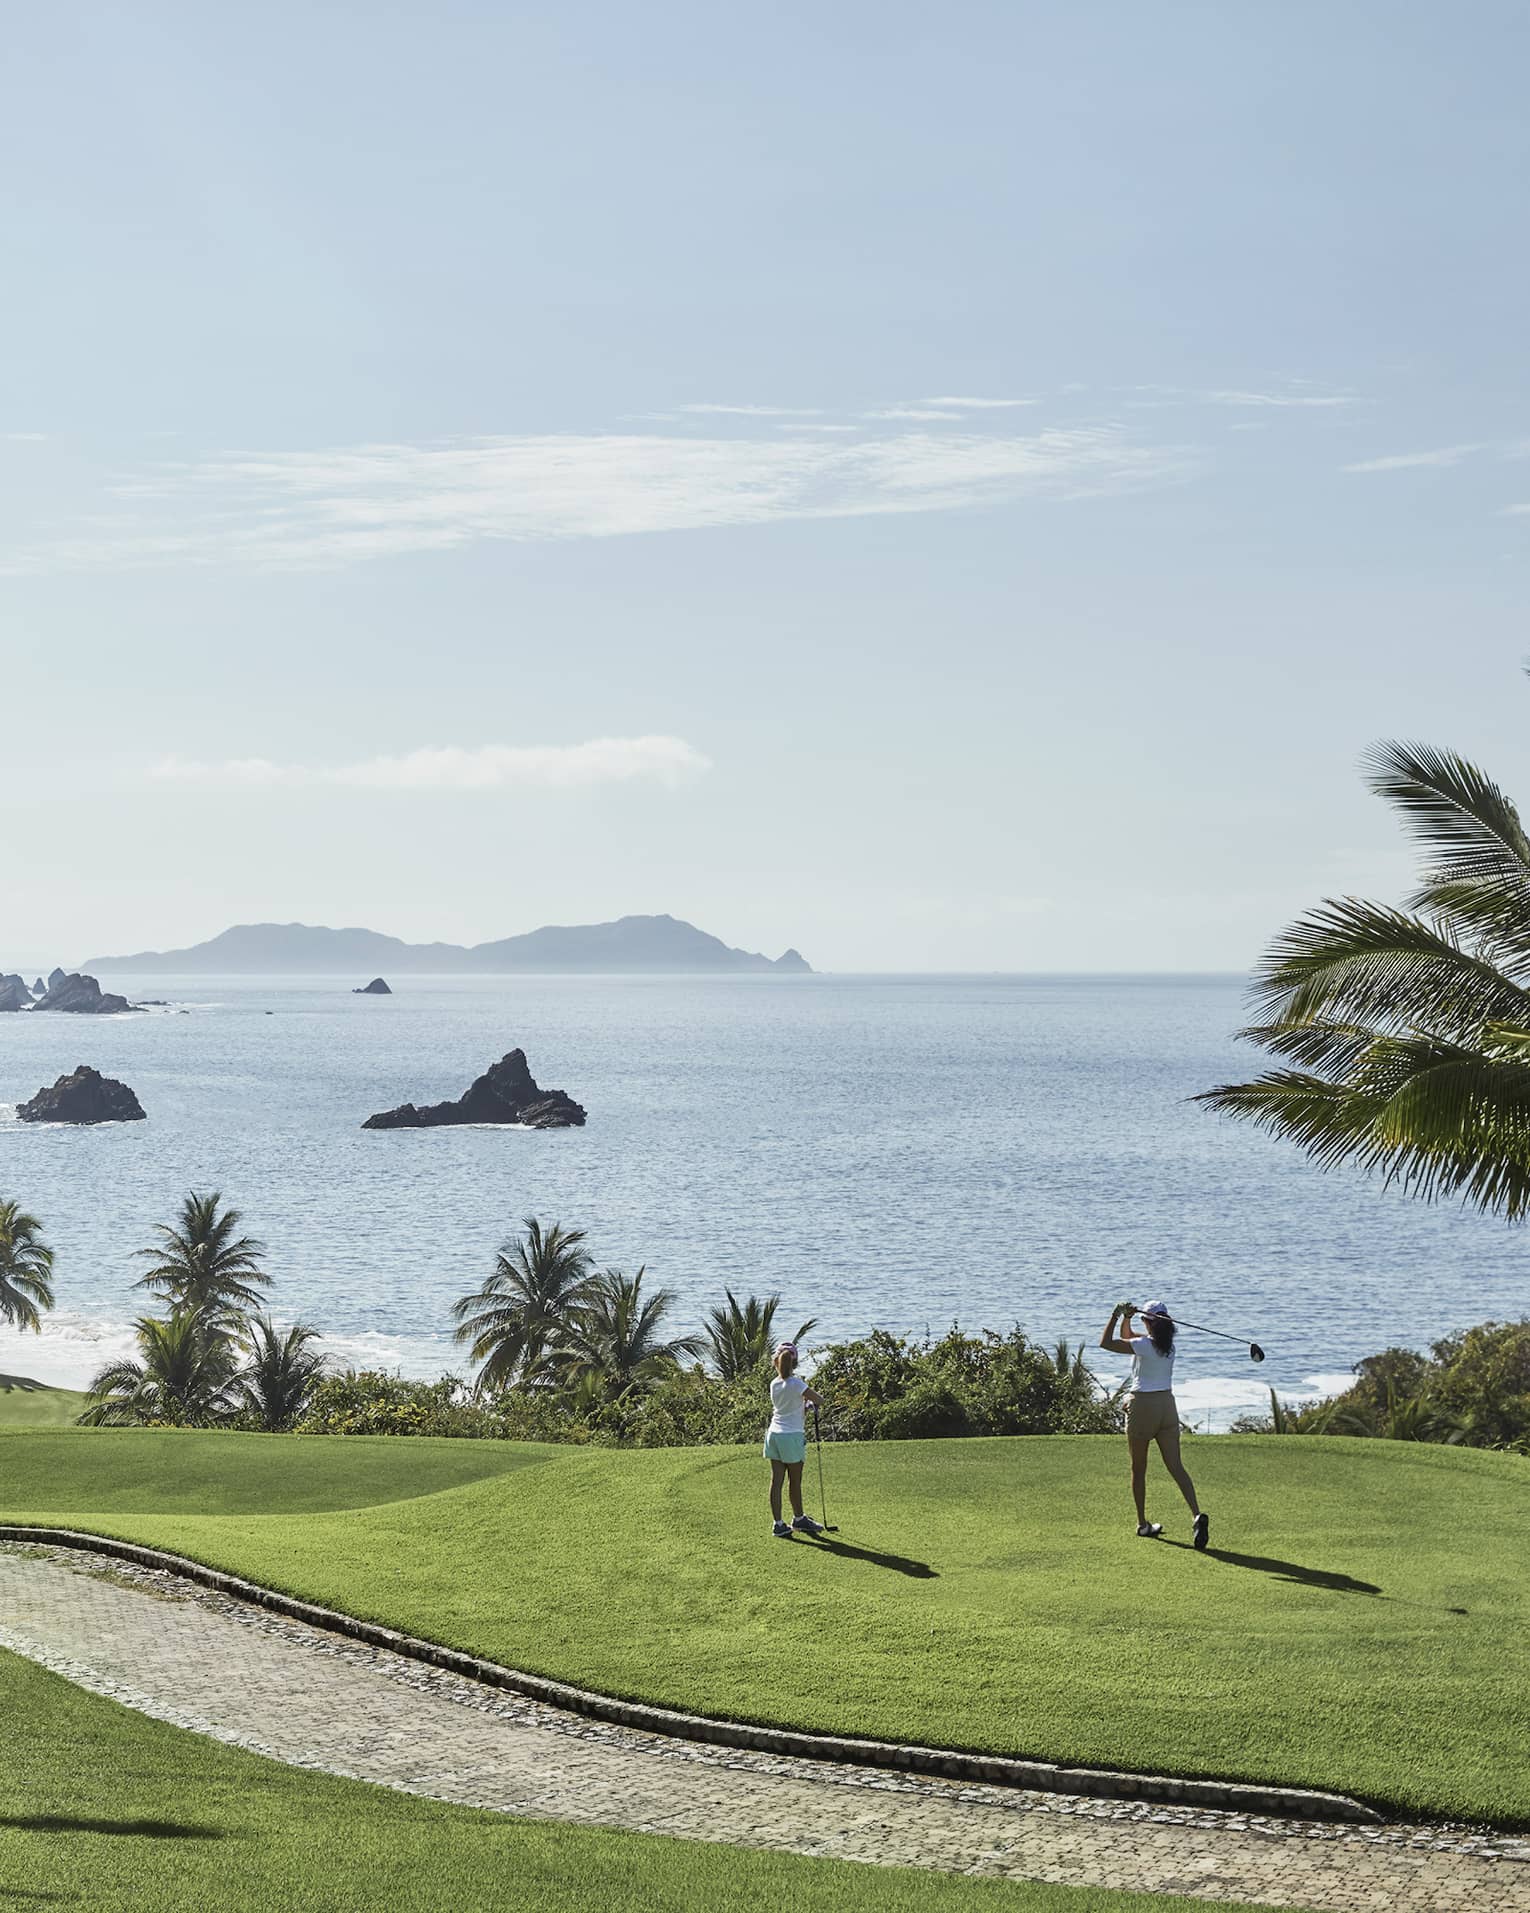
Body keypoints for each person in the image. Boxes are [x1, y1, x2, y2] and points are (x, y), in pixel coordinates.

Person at [1100, 1300, 1208, 1549]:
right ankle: (1196, 1515)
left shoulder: (1143, 1346)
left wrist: (1116, 1315)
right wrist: (1129, 1319)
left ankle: (1142, 1524)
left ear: (1148, 1322)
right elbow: (1129, 1337)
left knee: (1138, 1469)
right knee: (1176, 1466)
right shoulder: (1167, 1347)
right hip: (1167, 1407)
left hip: (1144, 1407)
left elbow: (1106, 1343)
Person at [764, 1341, 825, 1539]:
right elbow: (820, 1400)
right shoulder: (797, 1384)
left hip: (774, 1434)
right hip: (791, 1436)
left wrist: (803, 1406)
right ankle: (799, 1519)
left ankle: (778, 1524)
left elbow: (789, 1405)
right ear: (794, 1363)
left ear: (776, 1362)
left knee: (777, 1481)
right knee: (795, 1481)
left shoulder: (774, 1383)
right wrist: (807, 1404)